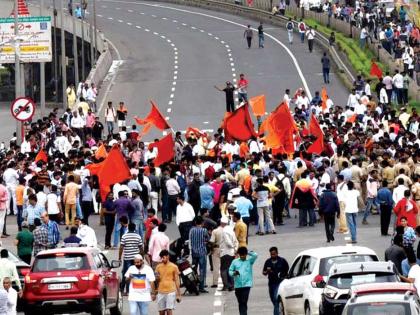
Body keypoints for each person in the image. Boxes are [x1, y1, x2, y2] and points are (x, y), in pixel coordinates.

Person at [229, 247, 258, 315]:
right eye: (241, 255)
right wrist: (234, 273)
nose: (242, 257)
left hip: (246, 285)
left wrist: (247, 252)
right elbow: (230, 271)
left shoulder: (249, 261)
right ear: (239, 254)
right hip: (238, 285)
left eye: (244, 255)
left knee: (244, 301)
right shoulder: (235, 261)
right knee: (240, 302)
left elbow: (255, 255)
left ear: (246, 254)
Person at [262, 247, 289, 315]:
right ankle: (279, 310)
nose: (272, 256)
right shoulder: (268, 261)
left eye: (274, 254)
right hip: (271, 283)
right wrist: (267, 272)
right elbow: (264, 272)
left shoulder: (282, 261)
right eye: (271, 254)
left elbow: (287, 270)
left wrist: (283, 276)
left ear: (277, 253)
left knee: (276, 299)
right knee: (273, 300)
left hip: (280, 282)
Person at [119, 223, 144, 295]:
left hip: (127, 258)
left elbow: (121, 247)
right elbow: (141, 248)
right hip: (136, 258)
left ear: (128, 228)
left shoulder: (124, 236)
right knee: (137, 272)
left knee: (126, 273)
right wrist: (142, 257)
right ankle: (137, 289)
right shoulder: (138, 236)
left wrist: (119, 257)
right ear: (135, 228)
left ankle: (124, 290)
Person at [155, 250, 181, 315]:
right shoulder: (158, 267)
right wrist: (157, 279)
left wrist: (179, 294)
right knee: (161, 312)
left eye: (163, 258)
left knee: (169, 310)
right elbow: (155, 280)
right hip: (161, 291)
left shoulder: (174, 267)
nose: (162, 260)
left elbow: (177, 280)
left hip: (171, 291)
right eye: (161, 258)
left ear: (167, 256)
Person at [189, 216, 209, 293]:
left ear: (195, 222)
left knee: (194, 269)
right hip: (202, 252)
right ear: (202, 223)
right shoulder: (204, 230)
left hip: (194, 252)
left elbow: (190, 240)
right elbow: (208, 239)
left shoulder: (192, 230)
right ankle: (201, 286)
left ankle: (194, 285)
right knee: (202, 270)